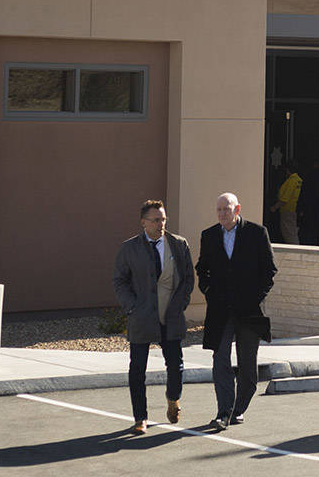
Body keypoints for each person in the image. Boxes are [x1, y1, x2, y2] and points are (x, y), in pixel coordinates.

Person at [196, 192, 278, 430]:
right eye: (219, 209)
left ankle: (239, 408)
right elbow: (203, 269)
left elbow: (269, 270)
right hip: (220, 310)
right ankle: (224, 411)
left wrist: (256, 298)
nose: (222, 213)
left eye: (226, 209)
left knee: (247, 364)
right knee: (220, 358)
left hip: (249, 310)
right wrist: (209, 291)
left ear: (237, 209)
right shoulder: (209, 235)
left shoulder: (256, 233)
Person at [112, 199, 195, 434]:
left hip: (171, 315)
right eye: (156, 220)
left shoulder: (179, 244)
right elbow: (119, 280)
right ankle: (140, 417)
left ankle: (173, 399)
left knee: (176, 366)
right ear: (143, 222)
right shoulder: (129, 248)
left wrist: (182, 304)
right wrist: (132, 306)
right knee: (137, 369)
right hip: (142, 316)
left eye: (164, 219)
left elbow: (188, 278)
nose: (161, 224)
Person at [270, 161, 303, 244]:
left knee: (289, 233)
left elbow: (285, 198)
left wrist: (274, 207)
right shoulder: (299, 180)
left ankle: (294, 251)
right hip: (294, 209)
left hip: (287, 210)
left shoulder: (291, 181)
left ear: (288, 170)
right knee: (292, 232)